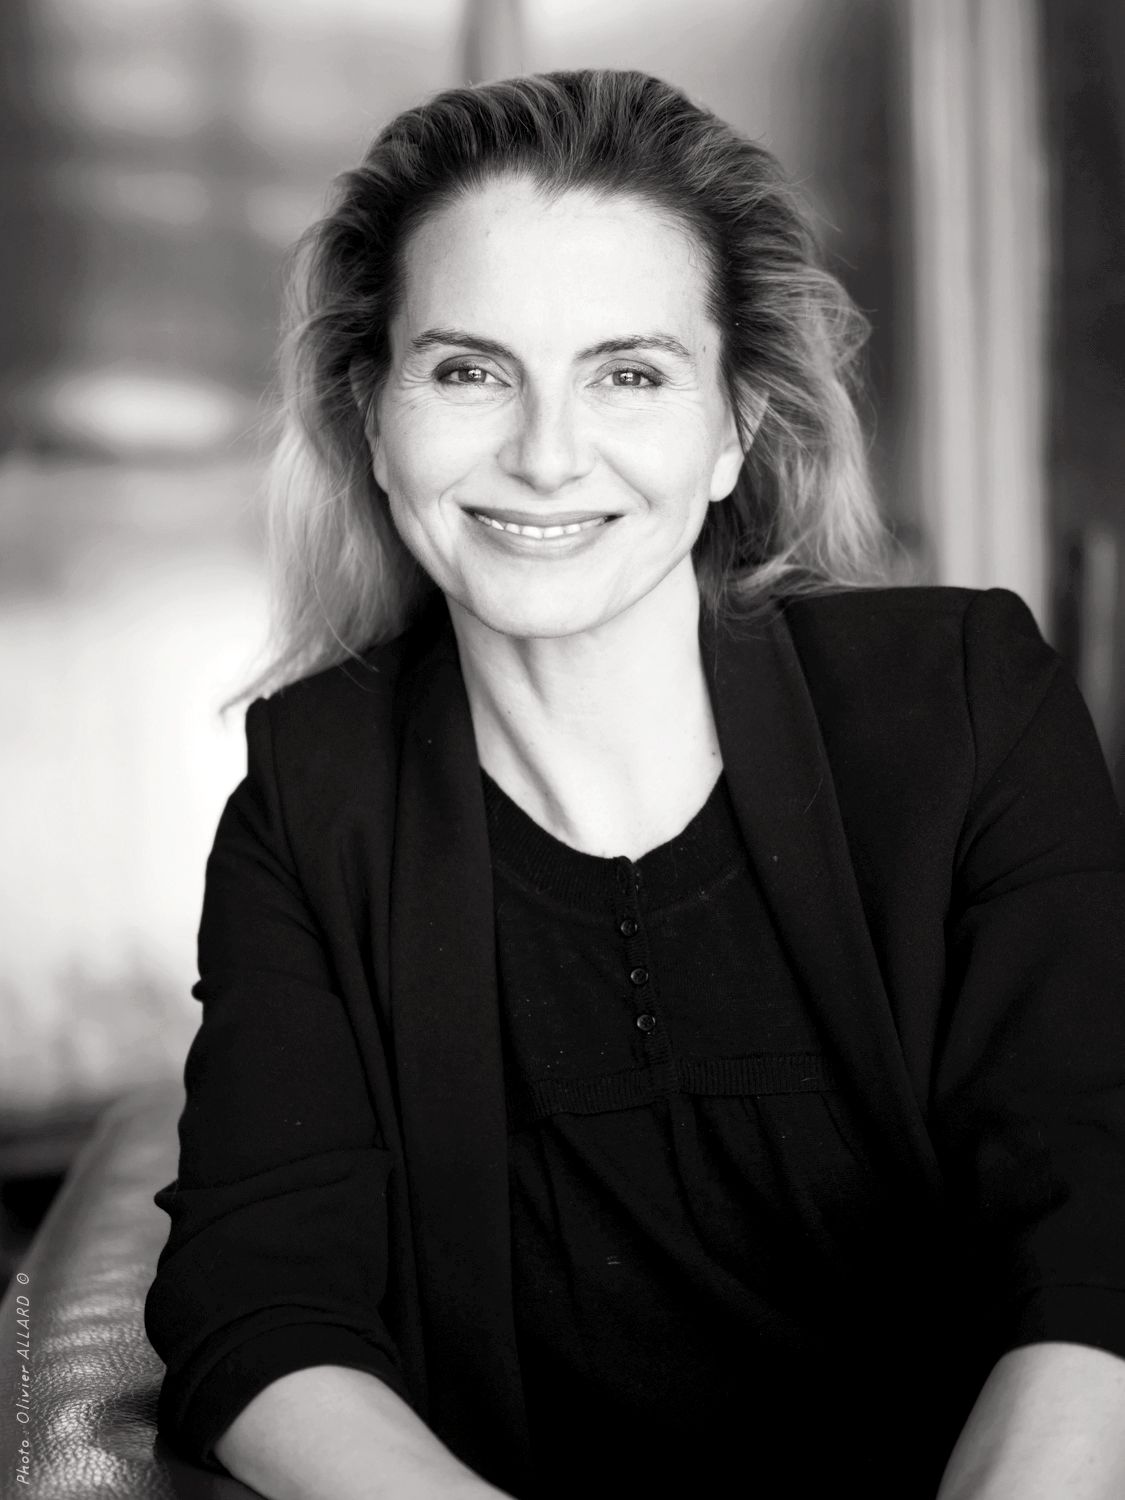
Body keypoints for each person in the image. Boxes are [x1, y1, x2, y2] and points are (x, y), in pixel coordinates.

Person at [144, 68, 1125, 1500]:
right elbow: (259, 1299)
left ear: (732, 429)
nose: (546, 456)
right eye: (468, 371)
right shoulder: (313, 800)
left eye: (630, 373)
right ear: (373, 417)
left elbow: (1094, 1213)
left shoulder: (959, 700)